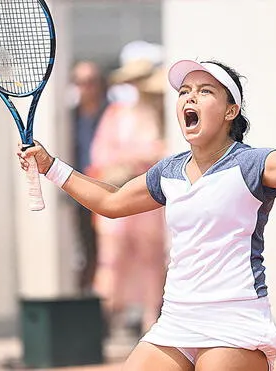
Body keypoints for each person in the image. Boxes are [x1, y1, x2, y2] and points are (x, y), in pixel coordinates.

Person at [18, 60, 276, 371]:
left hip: (235, 318)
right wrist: (49, 166)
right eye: (185, 91)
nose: (190, 97)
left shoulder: (252, 163)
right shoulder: (169, 171)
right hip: (177, 320)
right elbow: (111, 202)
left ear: (231, 111)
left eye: (205, 91)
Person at [88, 59, 167, 338]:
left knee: (152, 262)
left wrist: (145, 156)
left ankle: (150, 323)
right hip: (120, 198)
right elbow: (101, 156)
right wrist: (133, 158)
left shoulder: (163, 114)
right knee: (111, 262)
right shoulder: (116, 115)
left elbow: (168, 153)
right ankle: (102, 323)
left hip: (151, 202)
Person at [70, 61, 108, 293]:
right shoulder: (69, 118)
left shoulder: (111, 112)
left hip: (107, 190)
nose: (86, 88)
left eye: (91, 82)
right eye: (81, 83)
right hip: (78, 192)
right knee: (86, 249)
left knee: (107, 251)